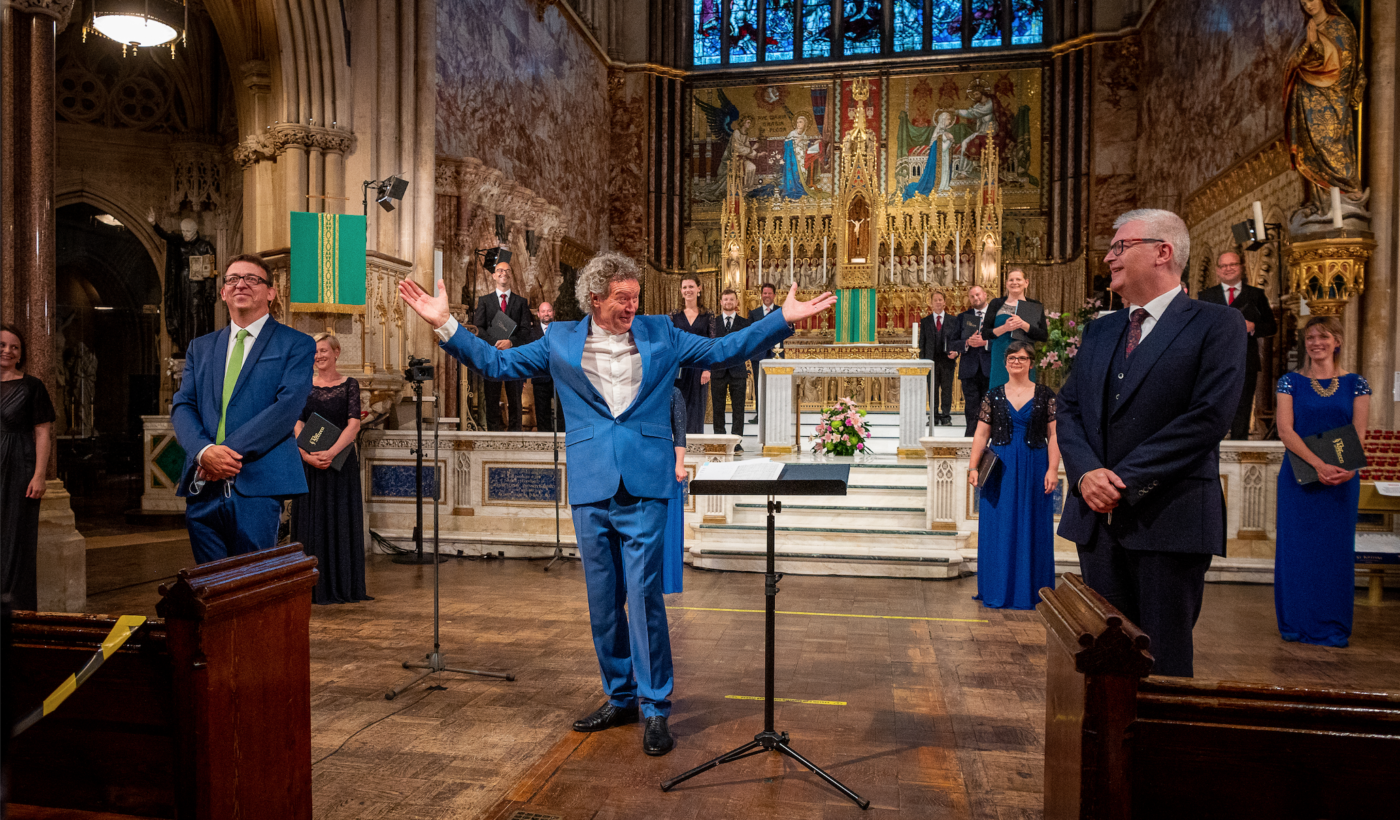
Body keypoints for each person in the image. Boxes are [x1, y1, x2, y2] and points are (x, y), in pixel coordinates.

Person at [398, 252, 833, 757]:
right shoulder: (559, 339)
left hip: (646, 483)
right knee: (603, 602)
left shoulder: (660, 334)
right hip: (591, 484)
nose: (632, 305)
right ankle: (620, 695)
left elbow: (722, 350)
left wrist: (780, 320)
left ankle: (655, 708)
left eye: (636, 297)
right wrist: (446, 325)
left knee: (644, 594)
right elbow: (499, 364)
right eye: (622, 298)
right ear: (595, 298)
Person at [1055, 208, 1245, 678]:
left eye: (1120, 247)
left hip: (1168, 516)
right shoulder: (1101, 329)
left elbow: (1207, 418)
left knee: (1161, 659)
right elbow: (1069, 407)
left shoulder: (1216, 325)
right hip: (1097, 520)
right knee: (1103, 655)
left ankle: (1158, 751)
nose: (1108, 257)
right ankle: (1105, 749)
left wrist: (1121, 478)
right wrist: (1084, 475)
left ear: (1162, 252)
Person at [170, 254, 317, 564]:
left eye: (252, 279)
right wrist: (203, 452)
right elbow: (183, 405)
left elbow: (286, 408)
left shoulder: (296, 343)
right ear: (223, 292)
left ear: (271, 292)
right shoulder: (201, 346)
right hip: (202, 485)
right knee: (209, 586)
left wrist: (221, 454)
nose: (241, 284)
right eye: (233, 279)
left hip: (257, 482)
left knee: (252, 583)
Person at [1274, 316, 1370, 646]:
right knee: (1297, 552)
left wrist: (1349, 469)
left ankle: (1333, 626)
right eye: (1311, 337)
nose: (1316, 342)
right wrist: (1318, 465)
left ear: (1337, 341)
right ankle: (1295, 624)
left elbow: (1359, 434)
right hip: (1299, 481)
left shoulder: (1357, 383)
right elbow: (1286, 431)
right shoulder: (1289, 382)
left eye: (1324, 336)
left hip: (1341, 483)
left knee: (1334, 554)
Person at [968, 341, 1060, 609]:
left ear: (1032, 362)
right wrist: (973, 467)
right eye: (1011, 357)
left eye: (1022, 358)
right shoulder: (993, 395)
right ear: (1005, 362)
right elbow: (981, 434)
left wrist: (1053, 469)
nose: (1016, 361)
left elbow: (1054, 435)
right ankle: (997, 588)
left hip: (1035, 464)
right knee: (999, 525)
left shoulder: (1045, 395)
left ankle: (1032, 590)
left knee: (1033, 524)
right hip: (1001, 467)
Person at [290, 333, 370, 605]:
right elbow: (296, 422)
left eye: (324, 350)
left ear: (336, 352)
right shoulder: (302, 384)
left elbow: (354, 424)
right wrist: (307, 455)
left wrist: (331, 452)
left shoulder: (349, 384)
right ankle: (309, 586)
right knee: (310, 522)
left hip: (339, 464)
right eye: (314, 352)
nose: (318, 356)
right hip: (310, 464)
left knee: (339, 521)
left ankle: (341, 585)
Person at [0, 325, 55, 610]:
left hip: (19, 467)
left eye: (14, 347)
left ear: (21, 354)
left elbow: (43, 432)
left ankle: (13, 608)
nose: (7, 350)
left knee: (15, 535)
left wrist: (39, 475)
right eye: (2, 344)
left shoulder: (32, 386)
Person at [1197, 251, 1278, 440]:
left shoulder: (1256, 295)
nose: (1228, 268)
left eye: (1232, 264)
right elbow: (1197, 327)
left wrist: (1253, 327)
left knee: (1242, 404)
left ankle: (1239, 444)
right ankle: (1212, 446)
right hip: (1214, 362)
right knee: (1213, 404)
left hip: (1245, 360)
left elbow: (1271, 326)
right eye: (1224, 266)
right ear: (1217, 271)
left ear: (1241, 267)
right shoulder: (1206, 296)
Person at [472, 249, 533, 431]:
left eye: (506, 271)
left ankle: (515, 433)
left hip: (513, 355)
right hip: (492, 354)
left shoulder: (521, 302)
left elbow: (526, 330)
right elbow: (478, 328)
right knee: (491, 396)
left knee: (515, 397)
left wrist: (510, 342)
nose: (503, 273)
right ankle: (493, 433)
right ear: (493, 276)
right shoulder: (485, 301)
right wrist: (495, 343)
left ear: (511, 276)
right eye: (499, 271)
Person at [983, 269, 1049, 389]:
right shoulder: (996, 303)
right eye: (1011, 280)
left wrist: (1024, 325)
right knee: (1000, 393)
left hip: (1024, 357)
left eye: (1018, 279)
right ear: (1006, 283)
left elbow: (1043, 336)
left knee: (1024, 393)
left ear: (1026, 282)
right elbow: (985, 334)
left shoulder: (1035, 305)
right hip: (1001, 358)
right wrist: (1005, 328)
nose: (1015, 282)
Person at [670, 276, 713, 435]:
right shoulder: (674, 315)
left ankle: (695, 446)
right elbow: (671, 342)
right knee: (679, 406)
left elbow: (711, 343)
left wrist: (707, 369)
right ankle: (679, 446)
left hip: (699, 368)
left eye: (691, 286)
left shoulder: (708, 315)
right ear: (681, 291)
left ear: (699, 289)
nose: (688, 290)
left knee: (697, 407)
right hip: (680, 368)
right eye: (685, 287)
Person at [709, 289, 751, 447]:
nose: (728, 302)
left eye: (731, 299)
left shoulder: (745, 323)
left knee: (738, 409)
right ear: (720, 302)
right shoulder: (713, 323)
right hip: (718, 371)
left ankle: (736, 442)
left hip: (738, 371)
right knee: (718, 408)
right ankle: (719, 440)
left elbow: (748, 345)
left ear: (736, 302)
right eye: (725, 299)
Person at [950, 285, 992, 436]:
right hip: (969, 370)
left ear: (985, 294)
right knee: (972, 407)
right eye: (972, 296)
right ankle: (971, 439)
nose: (976, 298)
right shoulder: (963, 317)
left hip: (990, 369)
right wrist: (966, 342)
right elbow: (953, 342)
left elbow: (1002, 343)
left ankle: (989, 438)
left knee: (990, 407)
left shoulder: (995, 317)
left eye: (978, 294)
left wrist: (985, 343)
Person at [747, 282, 783, 425]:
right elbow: (750, 333)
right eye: (765, 293)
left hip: (777, 354)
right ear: (761, 295)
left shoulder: (781, 311)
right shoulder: (754, 313)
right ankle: (760, 414)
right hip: (759, 355)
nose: (767, 296)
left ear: (774, 295)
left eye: (769, 293)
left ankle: (776, 414)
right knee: (759, 385)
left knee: (777, 386)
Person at [918, 291, 956, 425]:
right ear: (931, 303)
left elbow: (957, 340)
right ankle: (933, 416)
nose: (938, 302)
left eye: (941, 300)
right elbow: (921, 343)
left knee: (946, 390)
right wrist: (923, 362)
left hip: (947, 361)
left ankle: (946, 416)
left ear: (945, 302)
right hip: (931, 362)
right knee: (932, 390)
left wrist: (956, 352)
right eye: (935, 300)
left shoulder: (953, 320)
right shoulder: (925, 321)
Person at [663, 387, 688, 596]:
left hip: (665, 462)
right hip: (637, 460)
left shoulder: (672, 392)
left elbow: (680, 433)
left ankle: (665, 579)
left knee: (666, 525)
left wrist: (679, 464)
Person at [527, 301, 564, 432]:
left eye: (548, 311)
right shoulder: (532, 333)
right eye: (543, 311)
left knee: (561, 411)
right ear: (538, 314)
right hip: (540, 377)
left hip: (559, 378)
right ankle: (545, 440)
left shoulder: (561, 330)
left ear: (553, 313)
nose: (546, 314)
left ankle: (561, 439)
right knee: (542, 411)